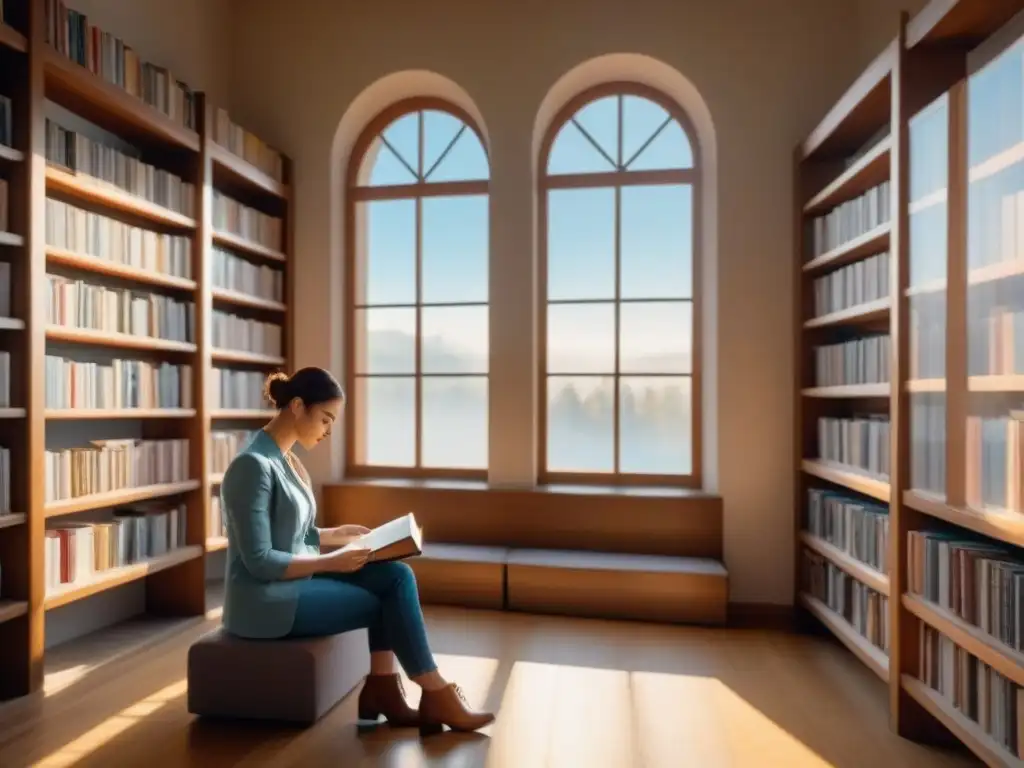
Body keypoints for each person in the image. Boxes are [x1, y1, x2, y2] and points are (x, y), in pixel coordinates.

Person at [219, 366, 494, 734]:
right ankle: (433, 690)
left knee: (396, 574)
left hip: (291, 582)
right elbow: (260, 560)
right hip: (263, 601)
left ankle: (384, 689)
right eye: (325, 419)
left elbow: (290, 534)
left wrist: (335, 534)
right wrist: (332, 560)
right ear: (298, 406)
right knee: (384, 599)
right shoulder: (251, 466)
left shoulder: (286, 460)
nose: (328, 430)